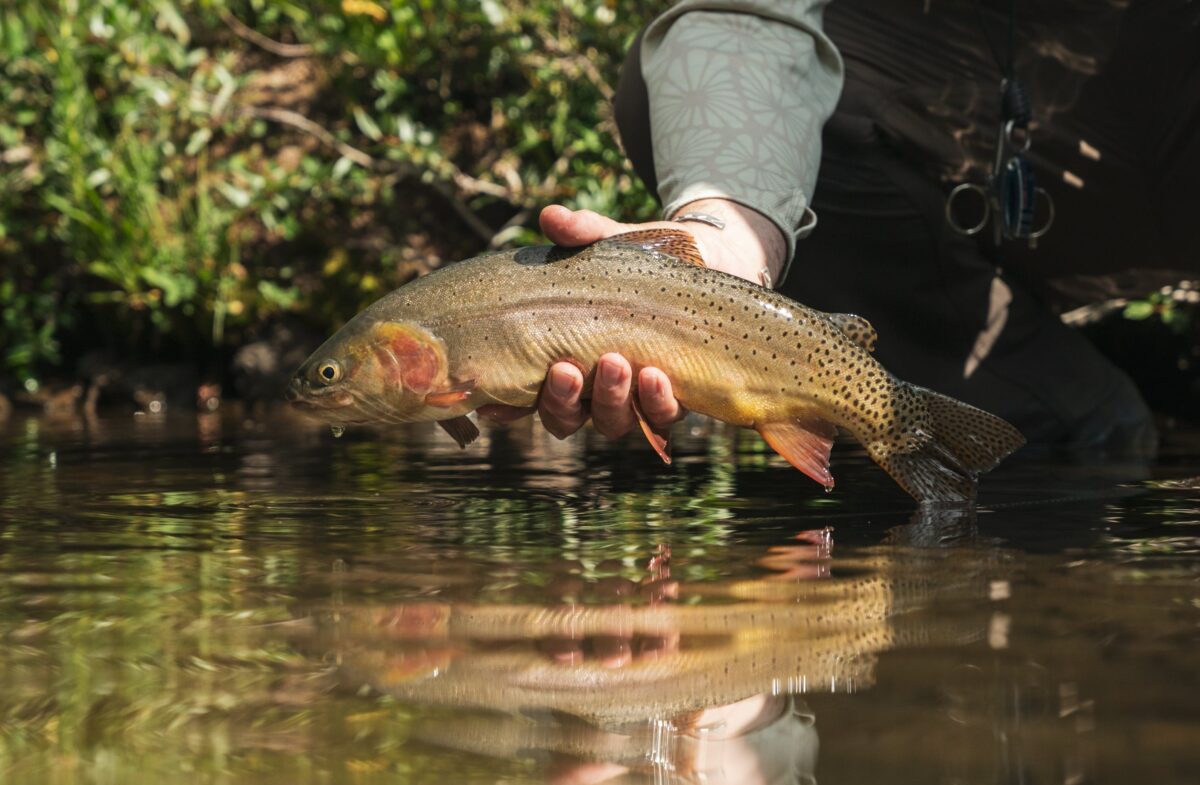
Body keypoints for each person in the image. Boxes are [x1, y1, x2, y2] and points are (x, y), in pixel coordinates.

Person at [480, 0, 1200, 453]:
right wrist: (728, 234)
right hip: (996, 130)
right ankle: (1058, 409)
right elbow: (747, 17)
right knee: (663, 79)